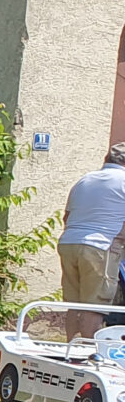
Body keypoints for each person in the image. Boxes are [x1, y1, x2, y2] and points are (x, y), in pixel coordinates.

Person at [57, 142, 125, 340]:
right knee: (95, 306)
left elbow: (67, 218)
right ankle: (88, 354)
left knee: (75, 303)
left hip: (69, 243)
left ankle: (72, 348)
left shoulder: (85, 180)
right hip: (100, 247)